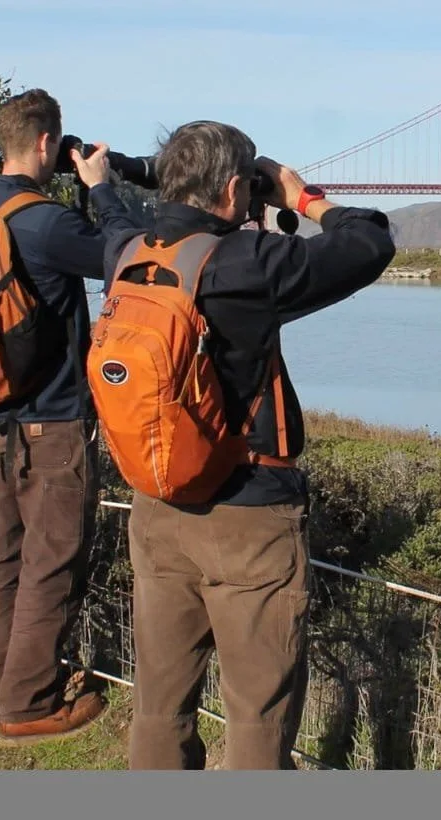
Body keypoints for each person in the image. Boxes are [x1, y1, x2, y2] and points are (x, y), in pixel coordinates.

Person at [108, 121, 394, 769]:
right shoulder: (248, 264)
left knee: (160, 699)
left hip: (155, 502)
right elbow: (369, 242)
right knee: (257, 711)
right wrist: (304, 199)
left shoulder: (125, 253)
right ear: (237, 187)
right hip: (248, 515)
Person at [0, 90, 155, 745]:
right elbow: (132, 255)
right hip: (54, 425)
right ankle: (28, 707)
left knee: (3, 564)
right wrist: (100, 188)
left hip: (0, 423)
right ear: (47, 143)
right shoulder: (45, 222)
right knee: (52, 563)